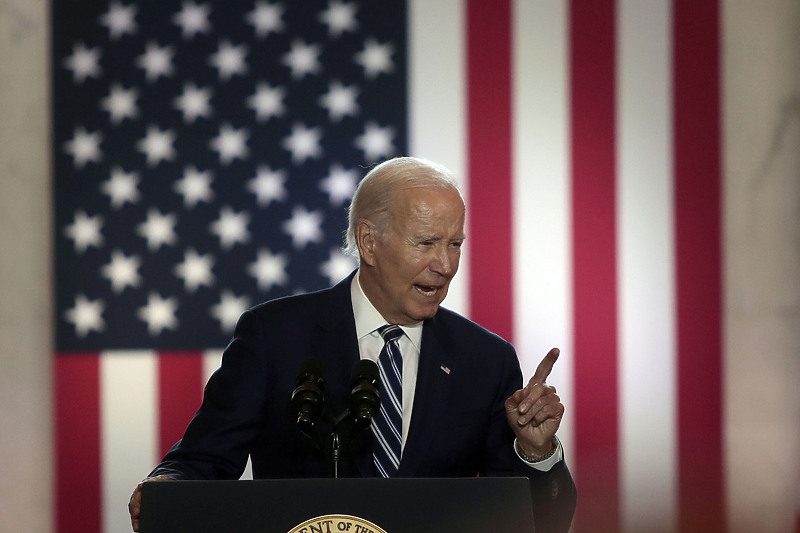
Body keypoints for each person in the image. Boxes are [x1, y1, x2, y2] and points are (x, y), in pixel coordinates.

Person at [128, 156, 577, 532]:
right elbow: (201, 463)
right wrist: (167, 485)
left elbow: (535, 521)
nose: (444, 265)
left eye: (454, 244)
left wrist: (535, 452)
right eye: (426, 243)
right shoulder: (275, 337)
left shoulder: (486, 360)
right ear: (369, 241)